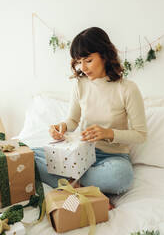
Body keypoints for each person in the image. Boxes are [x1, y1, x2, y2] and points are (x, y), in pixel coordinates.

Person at [34, 27, 147, 196]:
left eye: (88, 60)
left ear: (104, 55)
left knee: (121, 177)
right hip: (80, 152)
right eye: (78, 62)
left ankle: (71, 183)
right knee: (31, 156)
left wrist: (108, 133)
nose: (82, 68)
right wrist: (62, 127)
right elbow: (72, 120)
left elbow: (140, 134)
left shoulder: (128, 89)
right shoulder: (80, 84)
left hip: (112, 158)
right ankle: (87, 188)